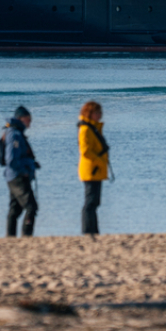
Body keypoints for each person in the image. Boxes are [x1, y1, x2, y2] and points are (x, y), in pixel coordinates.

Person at [1, 106, 40, 237]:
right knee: (31, 207)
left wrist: (32, 164)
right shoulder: (15, 134)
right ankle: (26, 236)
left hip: (13, 176)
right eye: (28, 119)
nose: (30, 123)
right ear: (21, 119)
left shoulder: (15, 132)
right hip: (17, 177)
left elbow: (21, 156)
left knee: (15, 209)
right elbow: (11, 159)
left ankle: (10, 237)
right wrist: (23, 171)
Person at [77, 101, 110, 236]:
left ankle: (94, 231)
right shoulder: (85, 129)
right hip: (91, 170)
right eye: (97, 113)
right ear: (89, 113)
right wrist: (99, 161)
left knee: (95, 202)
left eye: (100, 112)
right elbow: (85, 151)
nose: (100, 115)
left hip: (96, 169)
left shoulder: (93, 128)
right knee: (90, 202)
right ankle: (87, 231)